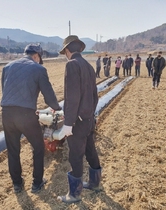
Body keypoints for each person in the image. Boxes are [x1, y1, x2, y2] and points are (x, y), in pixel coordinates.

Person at [1, 44, 61, 194]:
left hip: (7, 114)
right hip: (26, 115)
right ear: (37, 56)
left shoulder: (7, 67)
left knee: (13, 150)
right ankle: (37, 183)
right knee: (39, 147)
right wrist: (58, 109)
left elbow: (6, 91)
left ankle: (17, 184)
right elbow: (49, 97)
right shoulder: (39, 69)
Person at [57, 35, 102, 204]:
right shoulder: (88, 66)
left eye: (64, 52)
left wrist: (68, 123)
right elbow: (94, 96)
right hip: (89, 119)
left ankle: (74, 194)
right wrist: (90, 114)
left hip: (77, 122)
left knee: (75, 156)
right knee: (90, 150)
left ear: (67, 51)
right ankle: (95, 183)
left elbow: (72, 97)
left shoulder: (72, 65)